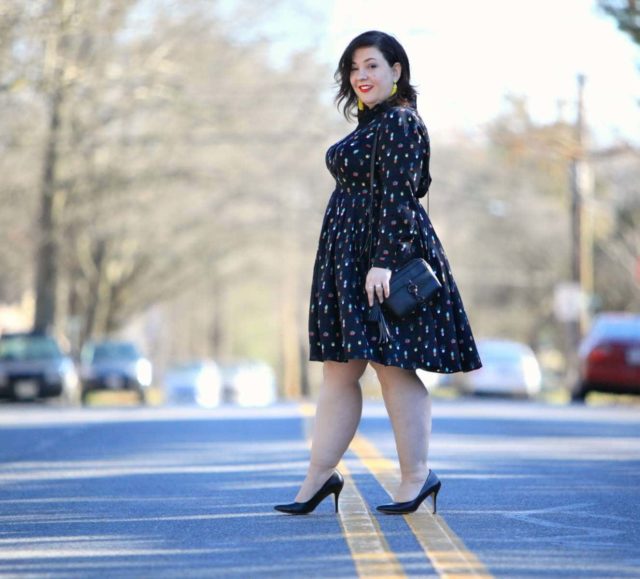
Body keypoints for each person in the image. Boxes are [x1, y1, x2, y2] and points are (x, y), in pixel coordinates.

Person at [274, 31, 482, 516]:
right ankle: (318, 478)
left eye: (371, 66)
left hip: (380, 261)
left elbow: (400, 198)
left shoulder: (402, 124)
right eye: (354, 69)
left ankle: (415, 476)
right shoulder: (371, 125)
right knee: (339, 371)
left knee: (392, 367)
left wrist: (382, 262)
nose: (361, 77)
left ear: (396, 71)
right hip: (348, 260)